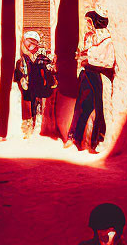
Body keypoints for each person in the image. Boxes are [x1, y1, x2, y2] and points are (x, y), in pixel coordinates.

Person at [65, 8, 116, 153]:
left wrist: (87, 59)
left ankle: (95, 142)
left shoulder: (106, 41)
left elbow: (106, 61)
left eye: (89, 22)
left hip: (99, 77)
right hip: (87, 75)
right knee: (81, 106)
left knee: (98, 109)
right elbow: (84, 54)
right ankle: (75, 137)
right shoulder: (90, 38)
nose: (88, 26)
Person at [14, 31, 56, 139]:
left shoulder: (40, 59)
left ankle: (37, 125)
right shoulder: (22, 61)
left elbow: (48, 69)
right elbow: (18, 73)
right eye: (26, 44)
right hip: (28, 89)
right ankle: (29, 126)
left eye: (30, 45)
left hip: (38, 87)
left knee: (38, 106)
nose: (27, 47)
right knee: (29, 106)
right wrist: (22, 79)